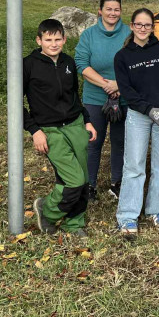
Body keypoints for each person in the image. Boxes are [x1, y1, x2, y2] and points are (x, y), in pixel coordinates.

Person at [113, 8, 159, 236]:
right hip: (139, 116)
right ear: (132, 26)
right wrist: (148, 110)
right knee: (134, 165)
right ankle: (127, 215)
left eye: (147, 25)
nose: (143, 29)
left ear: (153, 27)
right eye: (139, 25)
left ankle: (156, 209)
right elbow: (126, 91)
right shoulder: (123, 56)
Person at [24, 19, 98, 237]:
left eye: (58, 39)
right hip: (50, 129)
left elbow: (74, 95)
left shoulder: (68, 62)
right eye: (48, 40)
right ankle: (48, 210)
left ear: (65, 40)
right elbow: (16, 103)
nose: (53, 44)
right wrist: (35, 131)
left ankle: (74, 224)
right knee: (73, 179)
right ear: (39, 40)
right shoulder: (28, 64)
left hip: (75, 125)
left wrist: (87, 120)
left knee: (83, 179)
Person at [75, 0, 131, 202]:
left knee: (120, 142)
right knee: (93, 142)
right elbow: (82, 64)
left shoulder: (129, 33)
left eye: (116, 9)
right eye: (108, 9)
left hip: (124, 97)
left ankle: (117, 183)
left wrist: (120, 86)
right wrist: (107, 84)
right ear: (100, 11)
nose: (112, 13)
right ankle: (89, 185)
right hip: (95, 97)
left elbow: (135, 63)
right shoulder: (89, 35)